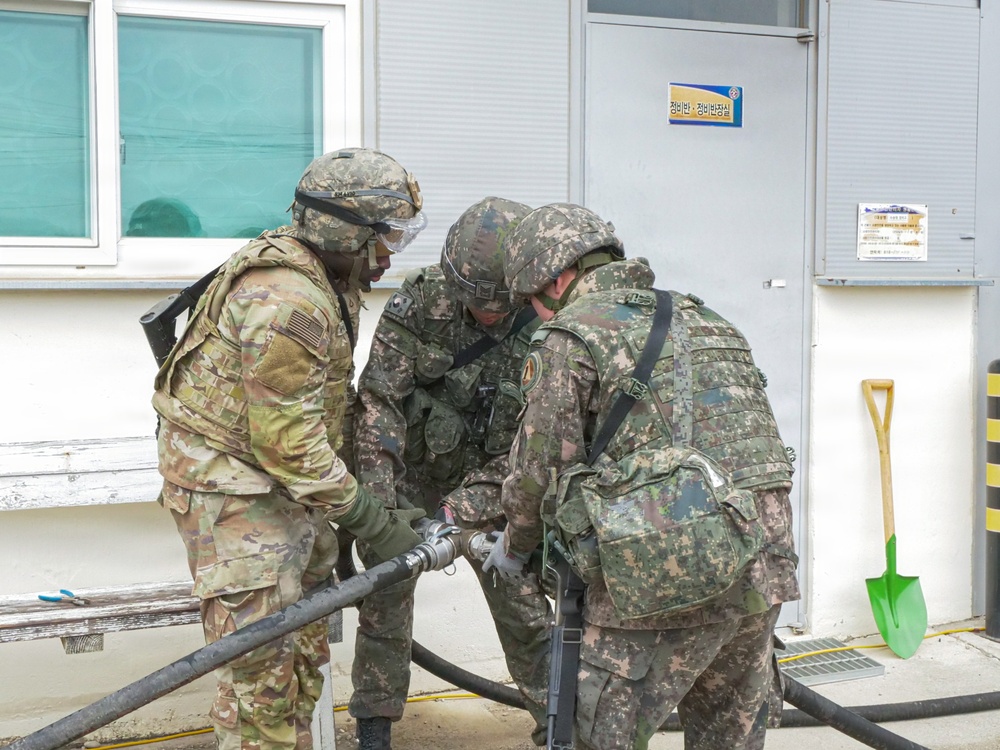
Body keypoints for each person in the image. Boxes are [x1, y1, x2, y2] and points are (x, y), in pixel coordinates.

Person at [488, 202, 800, 750]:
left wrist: (516, 548)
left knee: (592, 736)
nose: (535, 315)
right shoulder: (709, 318)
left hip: (657, 579)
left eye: (531, 302)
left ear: (559, 280)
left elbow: (537, 474)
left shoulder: (570, 338)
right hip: (759, 563)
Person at [150, 148, 429, 750]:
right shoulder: (286, 300)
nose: (389, 256)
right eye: (384, 238)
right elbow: (288, 442)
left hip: (276, 484)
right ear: (344, 230)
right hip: (234, 492)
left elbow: (322, 407)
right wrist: (370, 520)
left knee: (299, 662)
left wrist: (364, 500)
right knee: (261, 685)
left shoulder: (328, 274)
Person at [350, 197, 553, 750]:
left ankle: (562, 730)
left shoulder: (550, 324)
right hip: (411, 478)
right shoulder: (418, 302)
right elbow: (379, 406)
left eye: (499, 305)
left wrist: (455, 516)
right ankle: (374, 731)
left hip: (498, 487)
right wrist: (382, 510)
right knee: (384, 598)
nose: (487, 313)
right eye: (474, 301)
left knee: (525, 608)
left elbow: (533, 447)